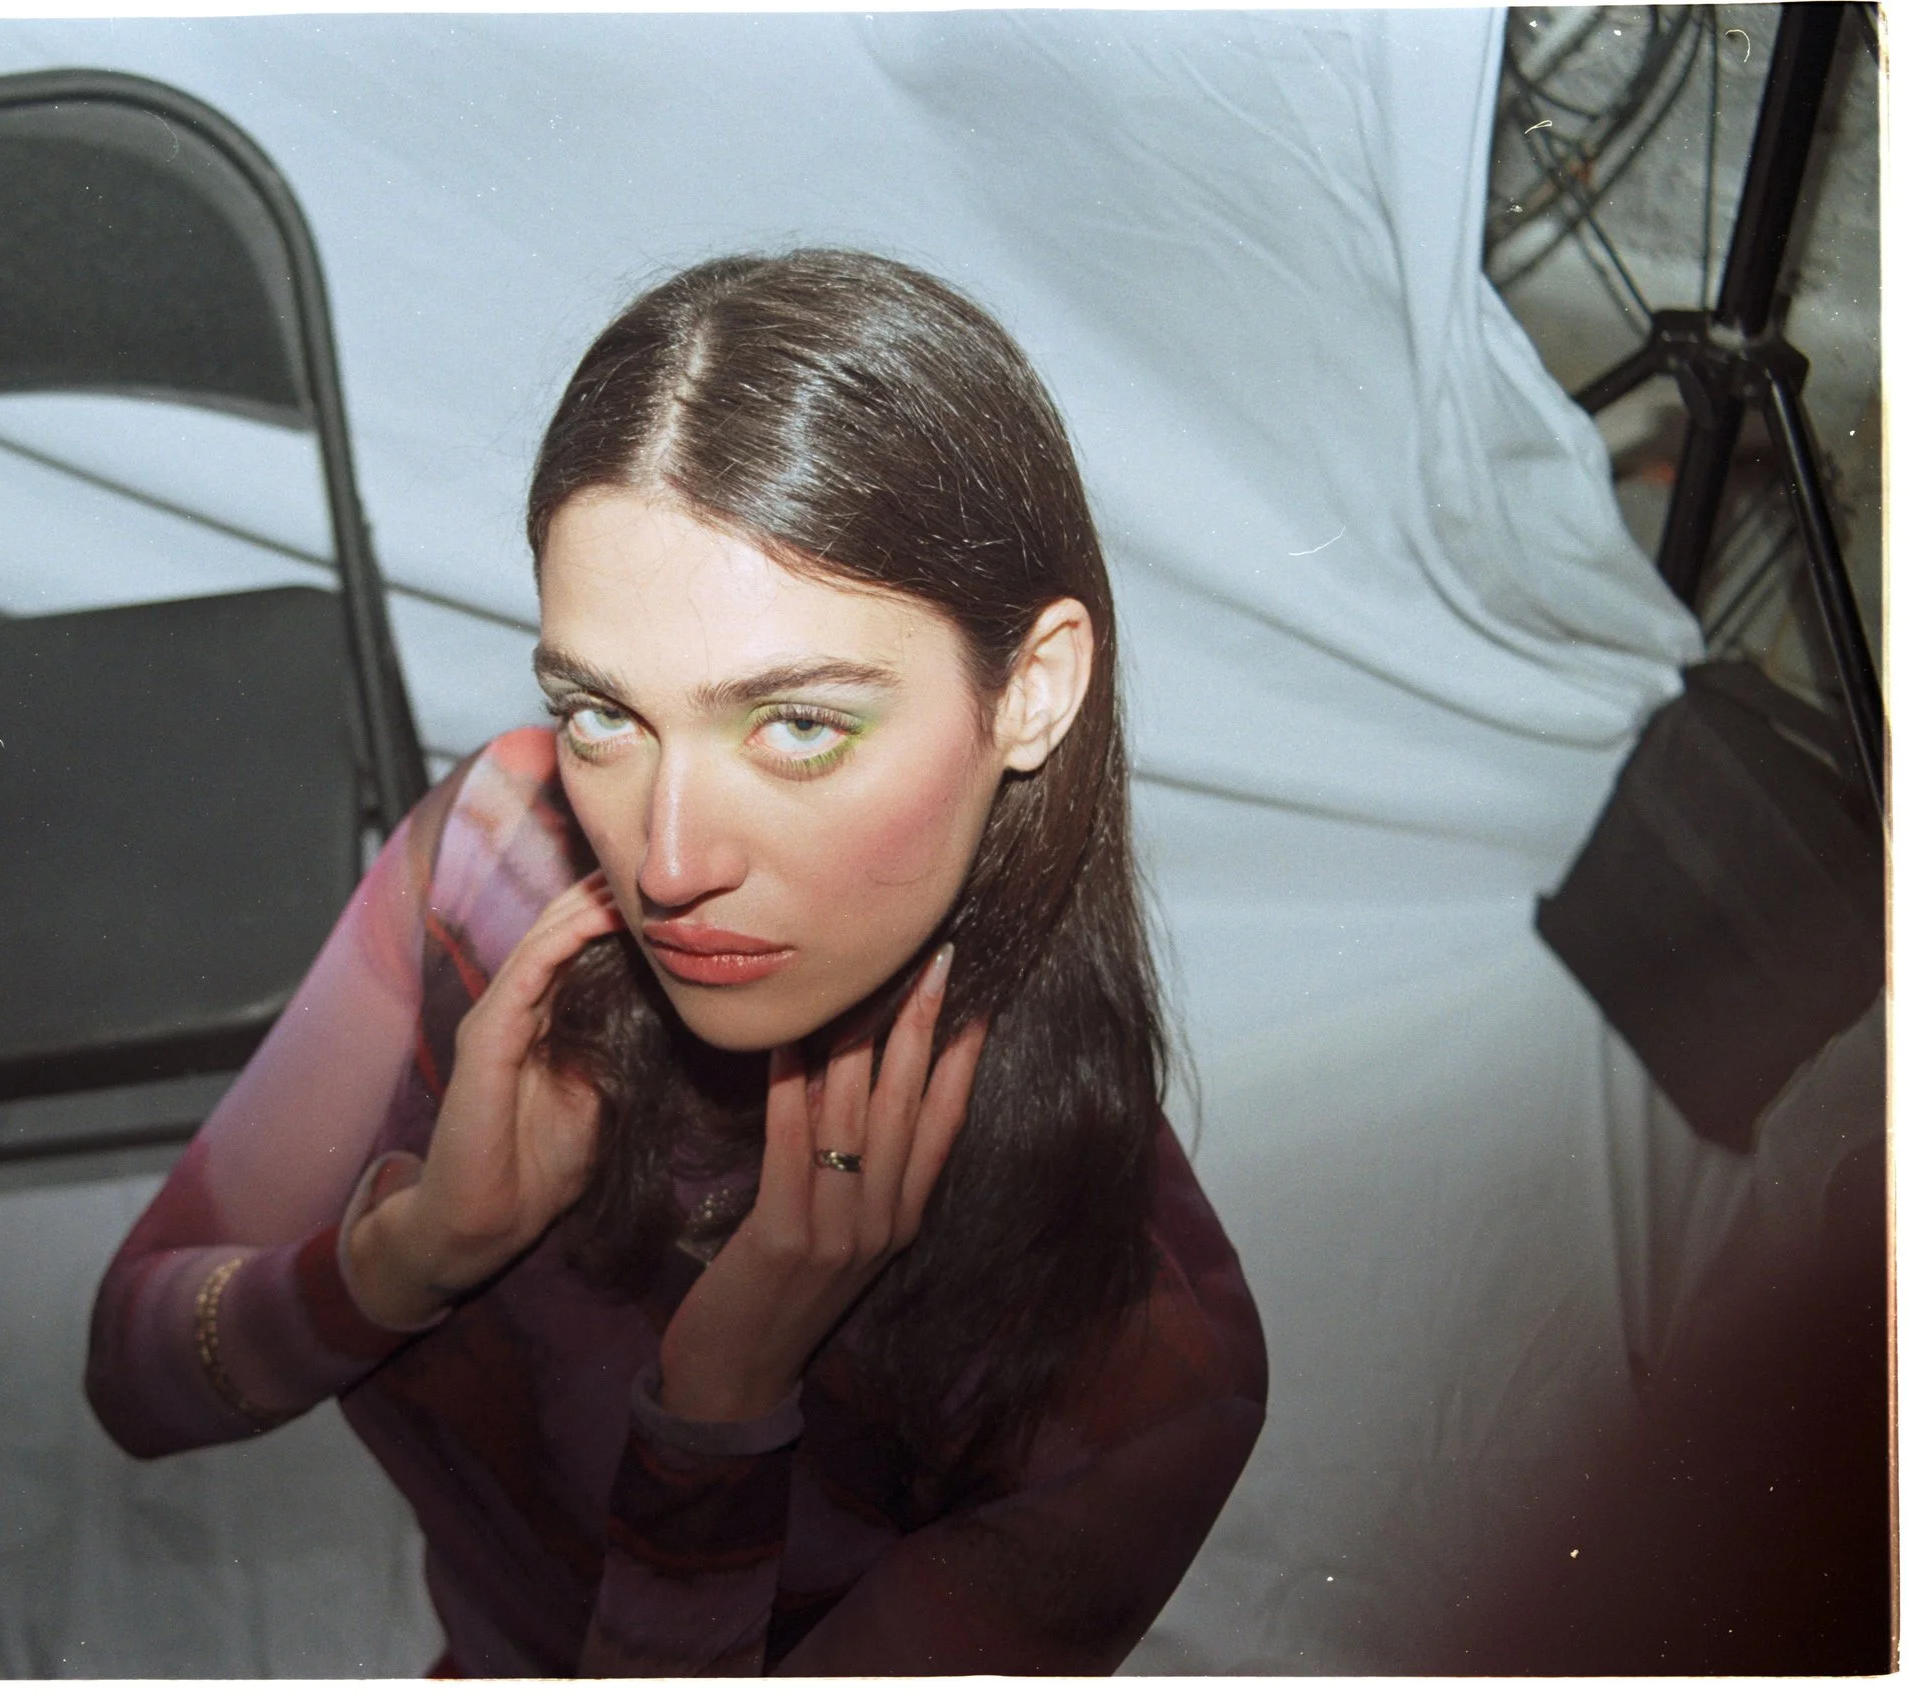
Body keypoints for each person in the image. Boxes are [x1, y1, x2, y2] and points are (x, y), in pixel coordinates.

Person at [87, 249, 1266, 1677]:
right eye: (603, 713)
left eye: (800, 726)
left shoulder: (1140, 1367)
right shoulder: (498, 856)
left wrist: (719, 1407)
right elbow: (131, 1380)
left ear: (1034, 690)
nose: (666, 858)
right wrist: (407, 1252)